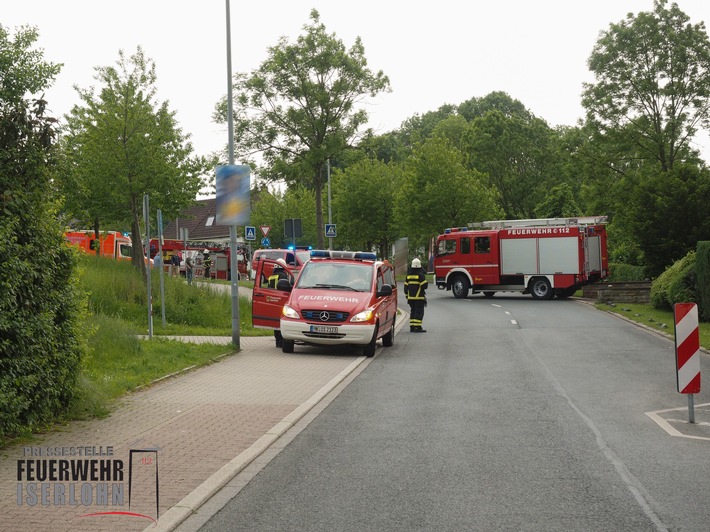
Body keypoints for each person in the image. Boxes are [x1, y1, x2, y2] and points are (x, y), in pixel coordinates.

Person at [268, 258, 290, 347]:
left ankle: (277, 341)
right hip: (281, 300)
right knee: (281, 321)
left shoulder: (271, 276)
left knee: (276, 323)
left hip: (273, 299)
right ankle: (281, 342)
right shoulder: (282, 276)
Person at [404, 257, 428, 332]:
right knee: (419, 312)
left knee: (413, 311)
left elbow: (405, 288)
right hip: (419, 298)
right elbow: (425, 286)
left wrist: (407, 296)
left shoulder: (408, 276)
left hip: (410, 298)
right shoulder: (420, 275)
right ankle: (417, 327)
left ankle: (412, 327)